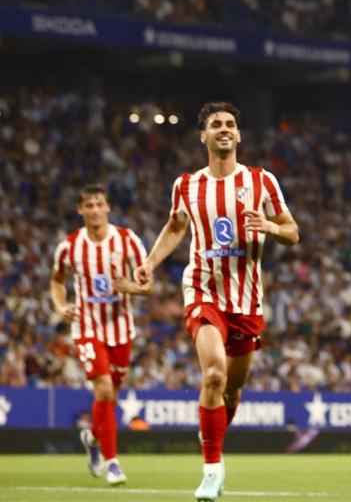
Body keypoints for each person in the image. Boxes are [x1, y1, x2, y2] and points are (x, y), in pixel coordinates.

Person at [133, 102, 299, 502]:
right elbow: (175, 227)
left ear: (238, 135)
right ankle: (212, 469)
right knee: (212, 376)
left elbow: (293, 233)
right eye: (215, 124)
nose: (224, 129)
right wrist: (150, 263)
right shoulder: (187, 185)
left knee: (231, 392)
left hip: (247, 300)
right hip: (203, 290)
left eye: (229, 124)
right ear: (203, 136)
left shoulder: (261, 181)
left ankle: (213, 437)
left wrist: (270, 226)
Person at [50, 184, 151, 486]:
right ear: (80, 210)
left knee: (110, 395)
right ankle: (113, 464)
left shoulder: (128, 240)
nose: (94, 210)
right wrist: (60, 305)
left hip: (121, 330)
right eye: (89, 205)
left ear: (108, 207)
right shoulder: (69, 246)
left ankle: (93, 438)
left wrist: (131, 287)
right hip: (87, 328)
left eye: (99, 204)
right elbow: (57, 280)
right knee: (104, 390)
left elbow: (147, 284)